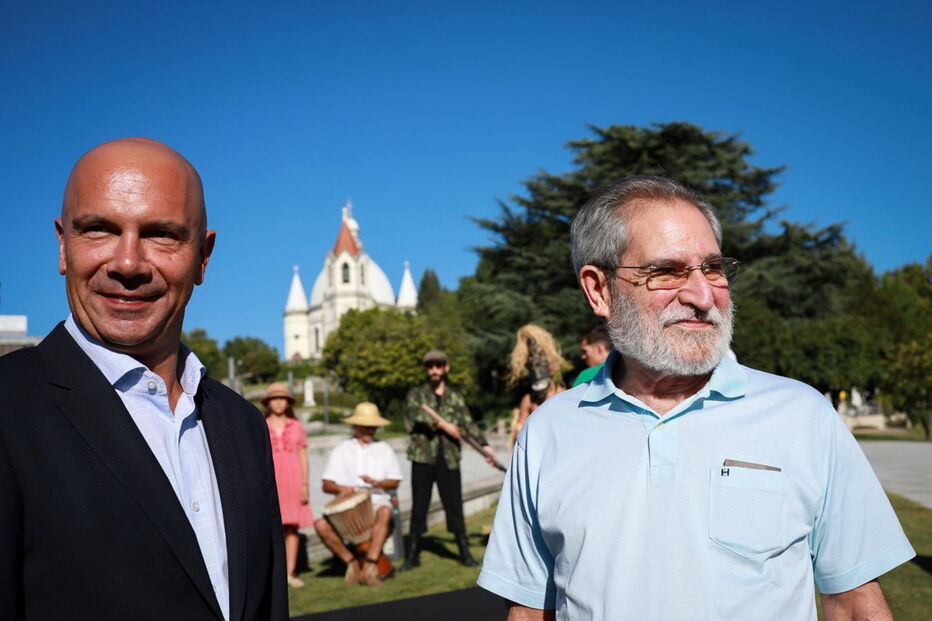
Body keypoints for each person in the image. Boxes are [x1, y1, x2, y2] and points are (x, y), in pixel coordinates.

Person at [478, 175, 915, 620]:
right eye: (666, 271)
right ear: (599, 290)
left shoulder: (804, 416)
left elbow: (855, 602)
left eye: (713, 268)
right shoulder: (550, 432)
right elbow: (530, 612)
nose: (704, 295)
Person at [0, 138, 287, 620]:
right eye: (98, 230)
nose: (128, 263)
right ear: (62, 245)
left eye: (161, 234)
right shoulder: (9, 410)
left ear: (203, 256)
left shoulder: (242, 425)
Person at [400, 350, 498, 570]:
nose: (434, 370)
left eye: (438, 365)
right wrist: (443, 425)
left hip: (449, 459)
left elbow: (468, 423)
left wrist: (485, 445)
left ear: (445, 368)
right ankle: (412, 555)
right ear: (426, 369)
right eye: (430, 366)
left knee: (454, 506)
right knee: (419, 508)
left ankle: (464, 552)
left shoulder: (454, 397)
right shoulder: (417, 394)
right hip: (422, 458)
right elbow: (414, 415)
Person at [314, 402, 403, 587]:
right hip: (348, 505)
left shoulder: (384, 449)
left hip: (377, 499)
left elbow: (395, 481)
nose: (371, 429)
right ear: (356, 426)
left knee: (385, 511)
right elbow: (326, 485)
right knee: (320, 525)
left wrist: (378, 483)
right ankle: (351, 563)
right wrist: (341, 489)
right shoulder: (341, 450)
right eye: (366, 426)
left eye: (373, 426)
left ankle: (370, 564)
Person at [263, 382, 312, 589]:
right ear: (268, 402)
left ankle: (290, 572)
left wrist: (305, 484)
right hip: (271, 479)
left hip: (293, 479)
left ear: (288, 402)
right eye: (274, 398)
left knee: (292, 527)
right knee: (271, 527)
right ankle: (274, 574)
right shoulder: (261, 424)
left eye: (282, 398)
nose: (278, 402)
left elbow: (303, 455)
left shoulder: (297, 426)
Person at [506, 324, 567, 448]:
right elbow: (518, 432)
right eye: (533, 368)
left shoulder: (564, 396)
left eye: (541, 366)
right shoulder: (529, 400)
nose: (537, 372)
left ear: (552, 369)